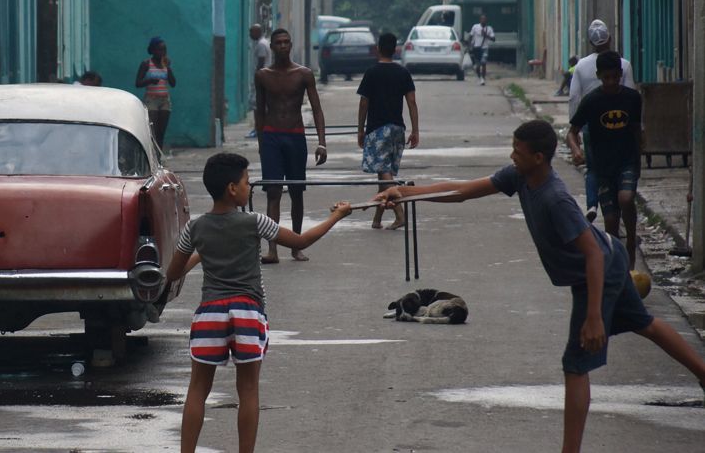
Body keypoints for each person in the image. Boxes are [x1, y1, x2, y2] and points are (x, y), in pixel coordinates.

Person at [375, 120, 705, 453]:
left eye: (518, 151)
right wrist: (406, 192)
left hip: (598, 271)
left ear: (539, 157)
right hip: (610, 257)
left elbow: (591, 255)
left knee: (576, 365)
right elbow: (462, 191)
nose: (512, 155)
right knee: (643, 323)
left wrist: (594, 317)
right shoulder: (520, 174)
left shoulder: (555, 198)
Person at [165, 152, 352, 453]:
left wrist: (202, 253)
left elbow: (173, 273)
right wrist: (336, 216)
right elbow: (300, 242)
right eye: (247, 182)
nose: (250, 187)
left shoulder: (196, 229)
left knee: (198, 390)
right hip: (248, 313)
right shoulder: (255, 222)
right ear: (231, 188)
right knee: (248, 390)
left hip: (210, 315)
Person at [254, 28, 328, 262]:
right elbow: (260, 109)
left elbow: (316, 108)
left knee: (297, 191)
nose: (283, 46)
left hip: (295, 136)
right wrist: (261, 140)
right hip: (272, 136)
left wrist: (322, 143)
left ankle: (296, 245)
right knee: (273, 192)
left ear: (291, 45)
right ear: (273, 47)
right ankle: (272, 249)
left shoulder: (303, 74)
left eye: (287, 42)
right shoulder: (263, 75)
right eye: (279, 43)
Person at [568, 51, 643, 267]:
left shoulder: (632, 98)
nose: (610, 82)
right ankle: (618, 267)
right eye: (606, 77)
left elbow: (637, 129)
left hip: (627, 161)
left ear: (620, 74)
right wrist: (576, 150)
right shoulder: (592, 101)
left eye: (614, 77)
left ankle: (630, 240)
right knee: (610, 221)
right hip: (602, 167)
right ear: (599, 75)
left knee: (626, 198)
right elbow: (572, 132)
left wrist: (639, 157)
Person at [568, 20, 636, 219]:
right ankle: (616, 204)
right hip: (621, 124)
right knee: (621, 165)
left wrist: (575, 127)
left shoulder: (581, 66)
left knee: (594, 167)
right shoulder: (623, 64)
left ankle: (592, 204)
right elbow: (632, 96)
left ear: (590, 42)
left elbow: (574, 97)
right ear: (610, 38)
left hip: (591, 123)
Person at [356, 33, 419, 230]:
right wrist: (415, 130)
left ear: (378, 48)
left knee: (384, 172)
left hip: (378, 129)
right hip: (398, 129)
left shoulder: (372, 72)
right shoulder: (403, 73)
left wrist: (360, 130)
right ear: (395, 50)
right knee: (385, 173)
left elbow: (364, 103)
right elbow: (411, 102)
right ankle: (377, 218)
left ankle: (399, 213)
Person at [135, 37, 176, 149]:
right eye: (159, 50)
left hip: (165, 100)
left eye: (164, 50)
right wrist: (150, 81)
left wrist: (168, 68)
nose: (162, 53)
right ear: (152, 50)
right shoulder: (146, 64)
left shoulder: (165, 65)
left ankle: (159, 158)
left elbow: (173, 83)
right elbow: (138, 83)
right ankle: (152, 156)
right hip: (151, 99)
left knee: (161, 133)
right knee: (152, 131)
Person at [247, 24, 272, 138]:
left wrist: (257, 78)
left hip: (261, 79)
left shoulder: (261, 45)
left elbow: (261, 63)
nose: (250, 35)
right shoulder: (264, 43)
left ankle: (258, 129)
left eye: (251, 32)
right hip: (265, 78)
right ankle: (261, 128)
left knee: (257, 105)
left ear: (258, 32)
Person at [467, 14, 495, 85]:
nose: (483, 20)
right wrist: (469, 46)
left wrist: (486, 35)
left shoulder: (489, 29)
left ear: (486, 20)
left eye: (485, 19)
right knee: (478, 65)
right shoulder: (475, 27)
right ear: (480, 20)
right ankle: (480, 77)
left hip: (485, 48)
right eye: (482, 19)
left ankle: (483, 78)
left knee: (483, 63)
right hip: (476, 48)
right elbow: (470, 36)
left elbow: (493, 39)